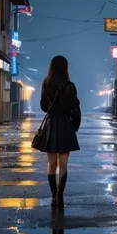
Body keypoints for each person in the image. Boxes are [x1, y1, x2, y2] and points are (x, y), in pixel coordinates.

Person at [39, 55, 81, 208]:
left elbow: (43, 106)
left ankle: (53, 196)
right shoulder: (70, 86)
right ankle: (60, 195)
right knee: (63, 164)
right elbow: (75, 108)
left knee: (51, 164)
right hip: (65, 125)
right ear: (65, 68)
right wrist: (75, 126)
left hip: (51, 124)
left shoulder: (46, 83)